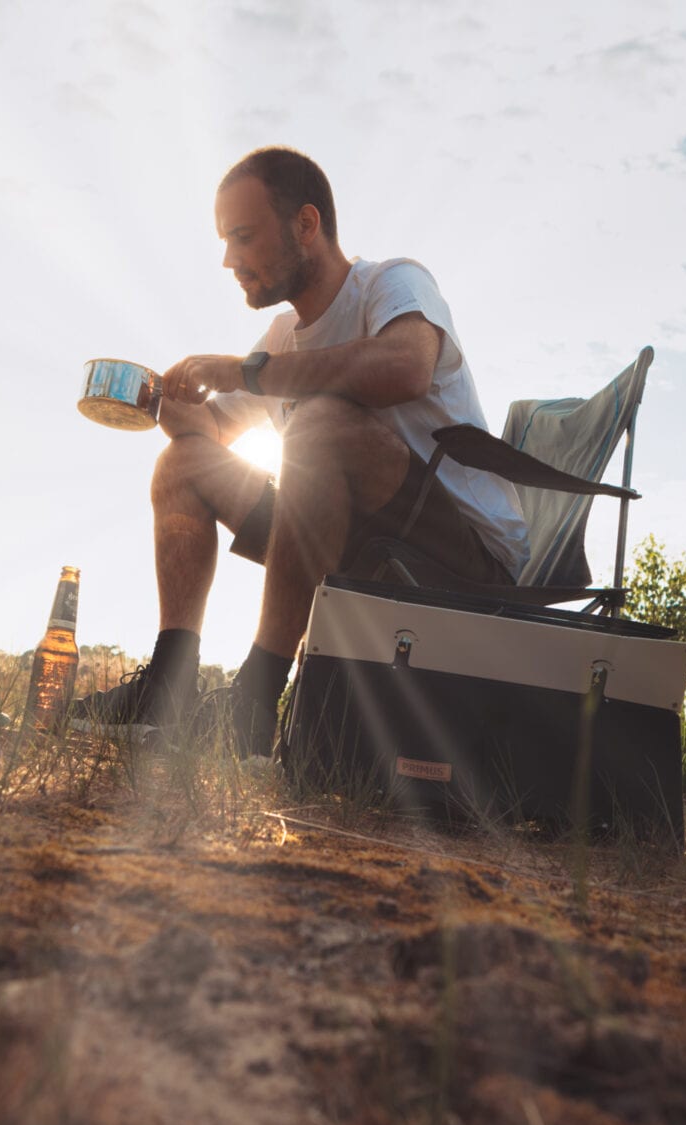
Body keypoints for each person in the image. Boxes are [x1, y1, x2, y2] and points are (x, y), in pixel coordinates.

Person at [71, 146, 527, 755]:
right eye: (225, 241)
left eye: (243, 236)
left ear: (305, 225)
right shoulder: (283, 337)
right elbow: (208, 432)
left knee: (318, 425)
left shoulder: (393, 282)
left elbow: (406, 367)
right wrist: (152, 399)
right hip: (355, 546)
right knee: (182, 465)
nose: (230, 259)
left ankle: (253, 703)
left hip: (465, 565)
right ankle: (169, 686)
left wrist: (248, 372)